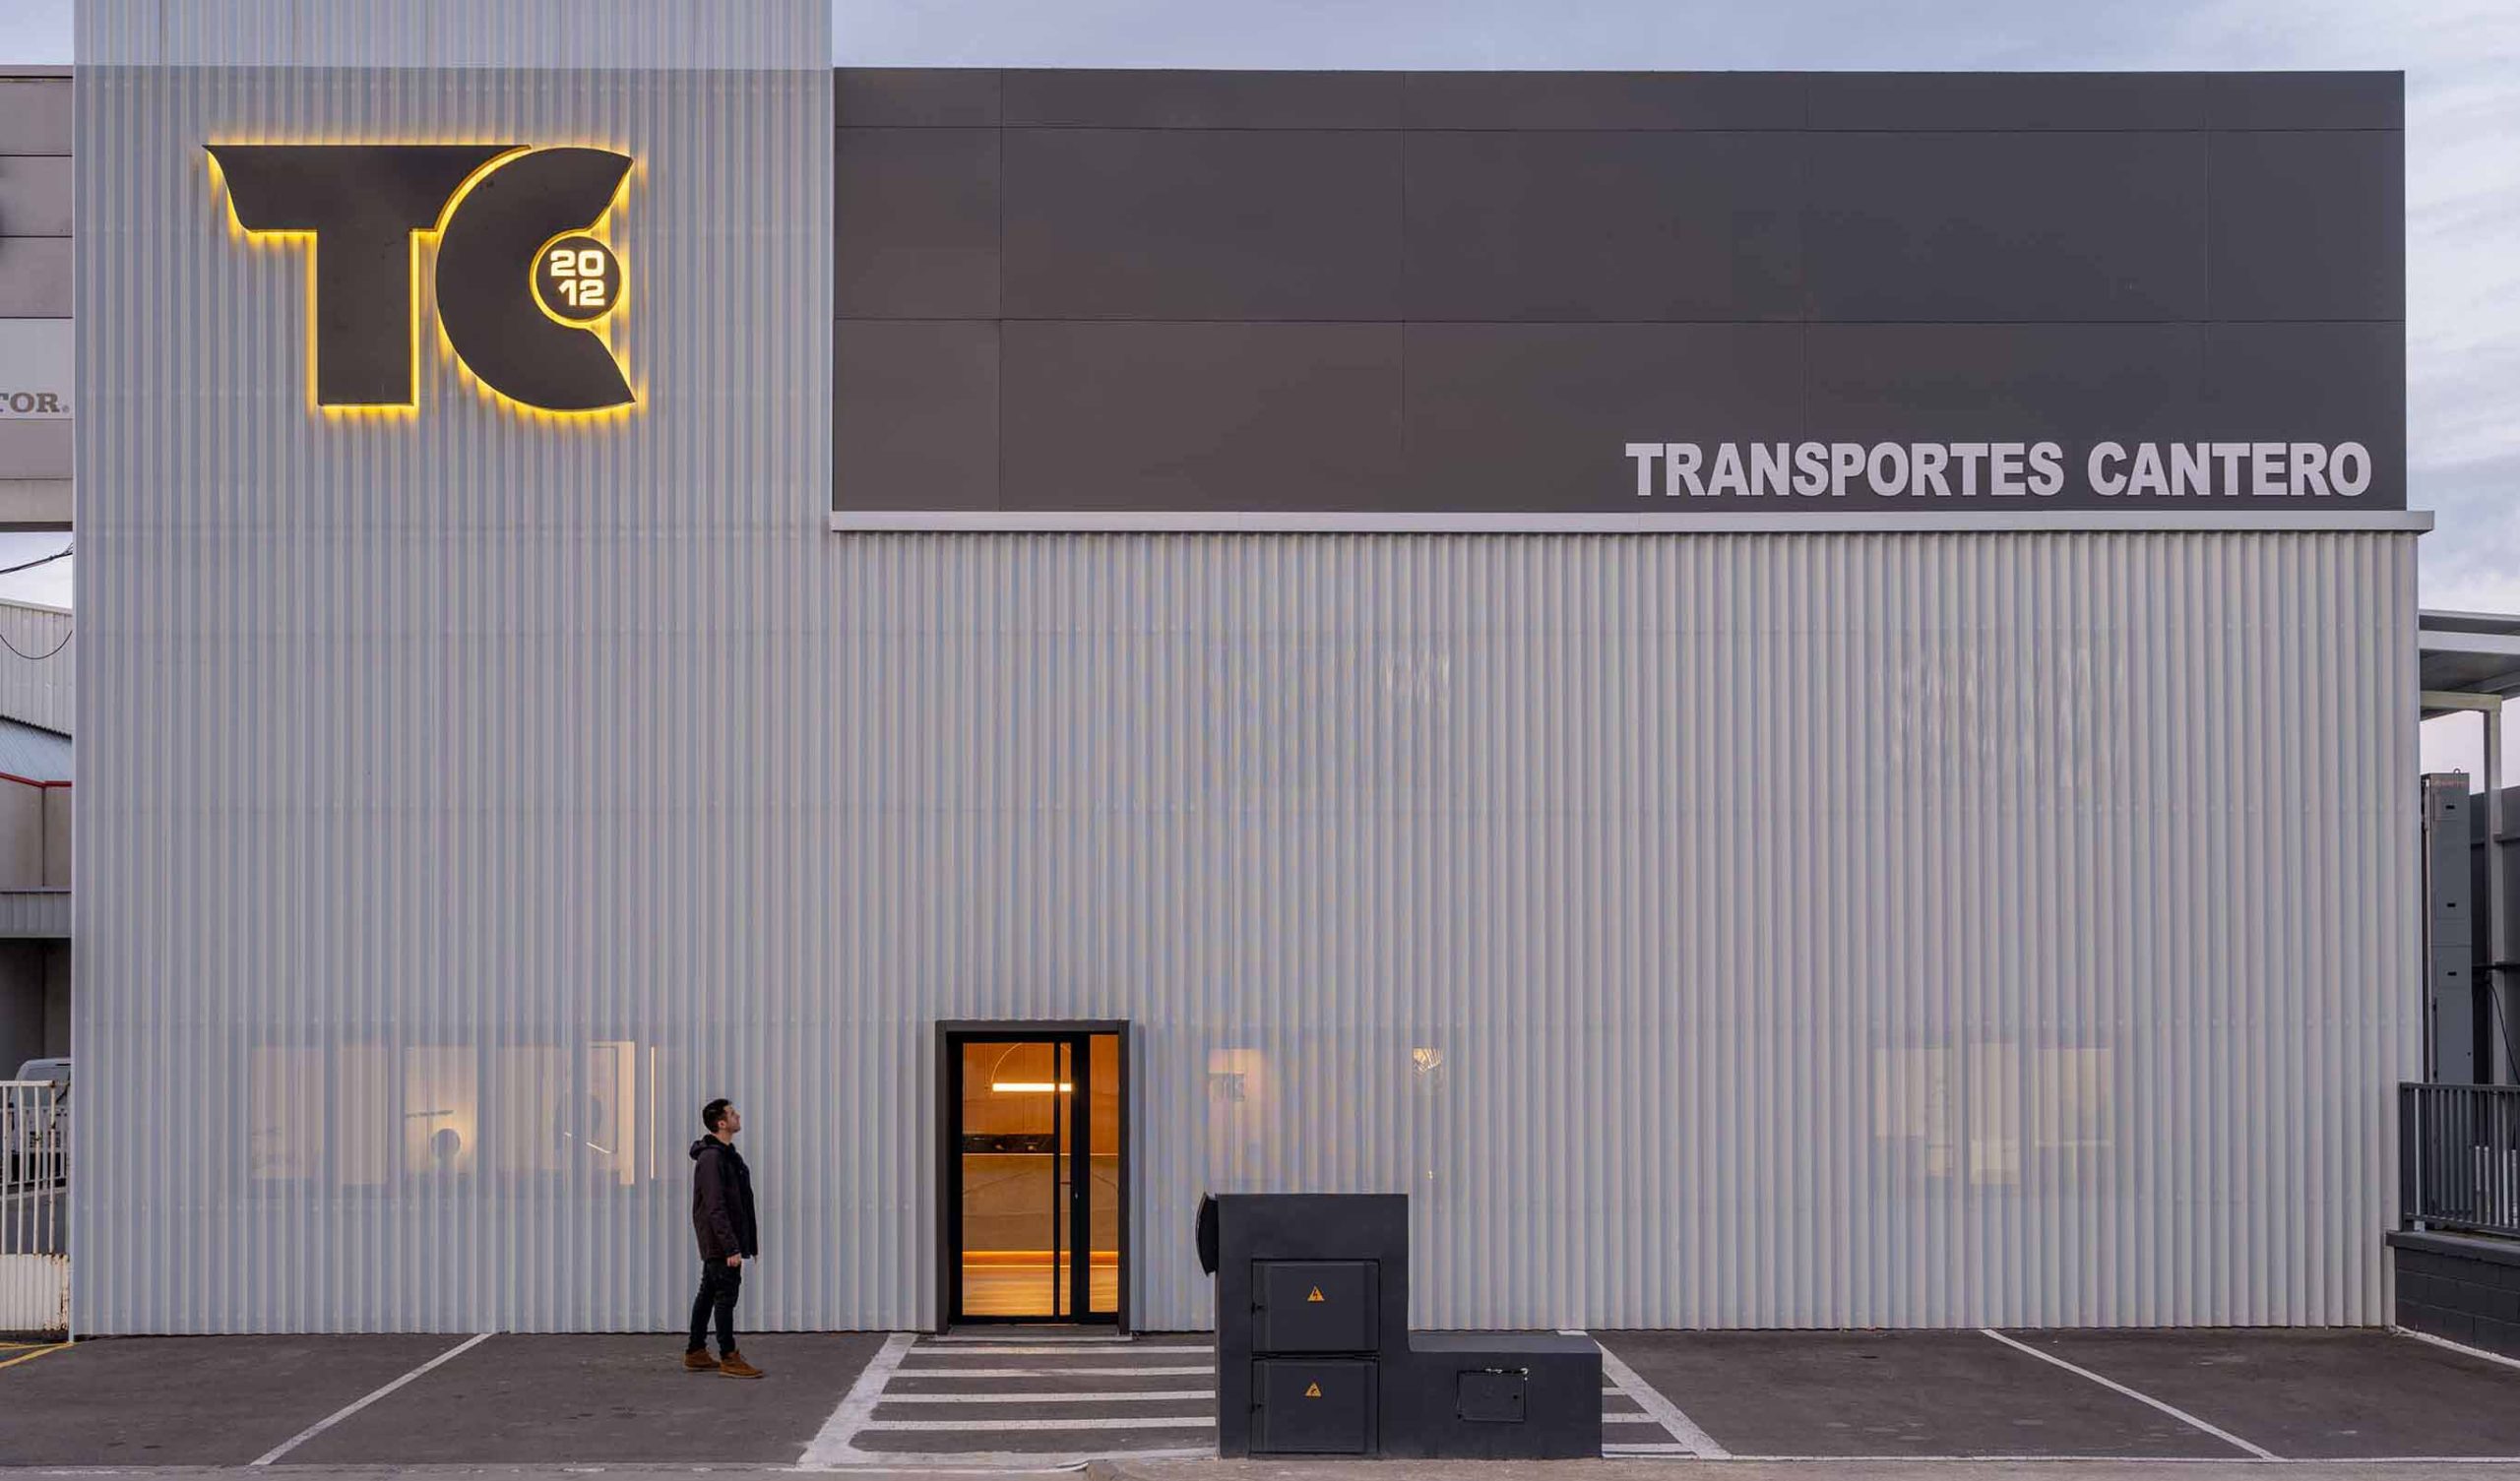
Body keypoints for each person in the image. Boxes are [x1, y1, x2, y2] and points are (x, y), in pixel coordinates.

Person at [685, 1098, 763, 1378]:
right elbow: (715, 1206)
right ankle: (729, 1357)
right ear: (721, 1123)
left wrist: (749, 1243)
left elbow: (741, 1201)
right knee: (725, 1297)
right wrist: (730, 1246)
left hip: (725, 1240)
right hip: (720, 1242)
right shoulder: (712, 1158)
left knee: (708, 1293)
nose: (737, 1116)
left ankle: (695, 1352)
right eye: (732, 1113)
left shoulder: (728, 1155)